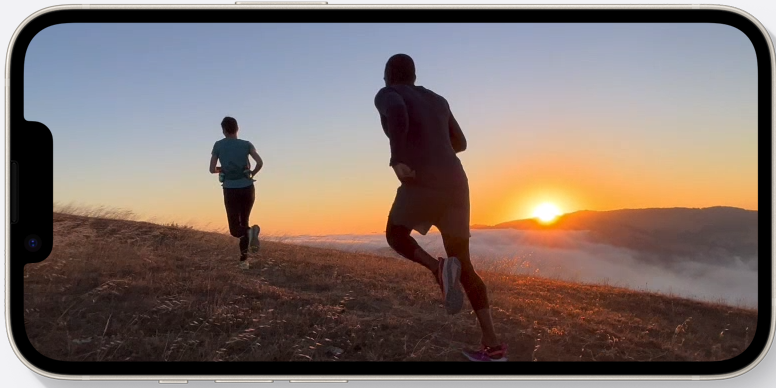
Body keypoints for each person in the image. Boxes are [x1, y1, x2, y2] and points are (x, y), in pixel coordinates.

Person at [374, 54, 507, 362]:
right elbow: (460, 142)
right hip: (457, 183)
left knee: (396, 234)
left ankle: (437, 268)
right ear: (415, 75)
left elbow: (396, 112)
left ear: (388, 75)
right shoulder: (438, 99)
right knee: (465, 264)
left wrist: (398, 157)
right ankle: (493, 346)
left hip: (423, 179)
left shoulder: (388, 94)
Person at [209, 116, 263, 270]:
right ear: (237, 128)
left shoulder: (218, 145)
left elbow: (212, 169)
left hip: (230, 189)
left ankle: (248, 239)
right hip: (248, 188)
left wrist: (222, 169)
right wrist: (252, 173)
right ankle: (243, 261)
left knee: (235, 229)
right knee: (244, 222)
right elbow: (260, 162)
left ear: (224, 130)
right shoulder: (246, 144)